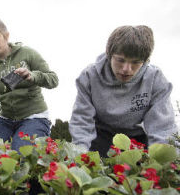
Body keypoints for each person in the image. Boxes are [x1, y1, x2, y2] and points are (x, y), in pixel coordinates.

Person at [69, 25, 178, 157]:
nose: (127, 69)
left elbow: (162, 128)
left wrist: (164, 165)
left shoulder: (155, 79)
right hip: (100, 136)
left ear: (145, 61)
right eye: (120, 60)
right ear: (109, 55)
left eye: (136, 62)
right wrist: (80, 157)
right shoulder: (89, 76)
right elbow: (82, 121)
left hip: (136, 138)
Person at [0, 16, 59, 151]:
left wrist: (31, 76)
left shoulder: (27, 53)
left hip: (34, 117)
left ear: (6, 35)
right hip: (6, 120)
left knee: (22, 151)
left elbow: (53, 80)